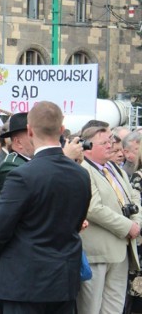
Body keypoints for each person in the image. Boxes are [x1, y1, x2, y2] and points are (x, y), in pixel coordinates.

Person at [0, 101, 92, 314]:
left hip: (25, 281)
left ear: (29, 130)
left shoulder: (22, 175)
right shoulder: (80, 174)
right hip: (64, 277)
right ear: (61, 130)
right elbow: (77, 222)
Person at [77, 126, 142, 314]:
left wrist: (136, 221)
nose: (111, 146)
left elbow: (134, 197)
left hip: (121, 251)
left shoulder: (115, 169)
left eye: (111, 141)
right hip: (97, 254)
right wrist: (128, 226)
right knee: (91, 308)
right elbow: (93, 208)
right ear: (88, 146)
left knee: (114, 306)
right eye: (104, 142)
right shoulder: (84, 170)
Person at [0, 113, 33, 196]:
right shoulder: (9, 165)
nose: (37, 139)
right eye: (31, 135)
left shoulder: (29, 160)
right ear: (18, 142)